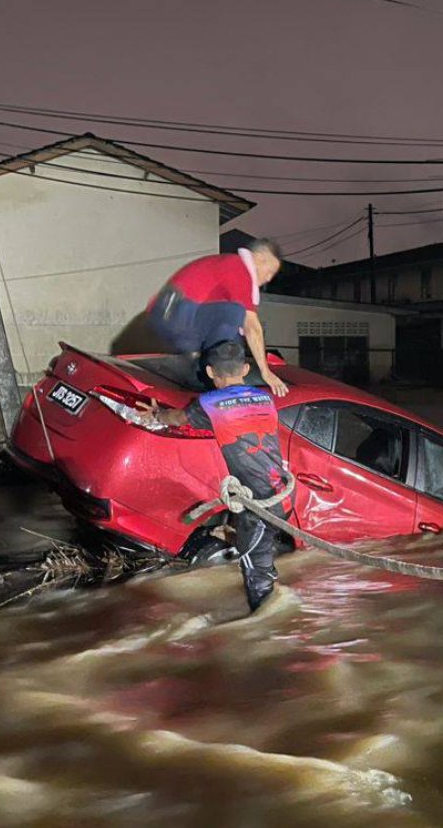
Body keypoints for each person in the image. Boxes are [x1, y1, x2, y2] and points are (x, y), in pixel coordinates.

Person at [147, 341, 292, 611]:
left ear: (211, 372)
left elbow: (177, 419)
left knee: (257, 576)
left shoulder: (211, 403)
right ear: (246, 369)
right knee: (261, 559)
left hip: (259, 504)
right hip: (280, 493)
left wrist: (156, 413)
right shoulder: (265, 398)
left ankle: (268, 632)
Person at [146, 239, 289, 397]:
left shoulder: (225, 268)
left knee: (235, 336)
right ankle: (224, 381)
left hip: (172, 317)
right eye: (269, 271)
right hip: (175, 312)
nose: (268, 279)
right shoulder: (237, 267)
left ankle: (203, 371)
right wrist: (265, 371)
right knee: (235, 313)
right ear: (259, 257)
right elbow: (252, 326)